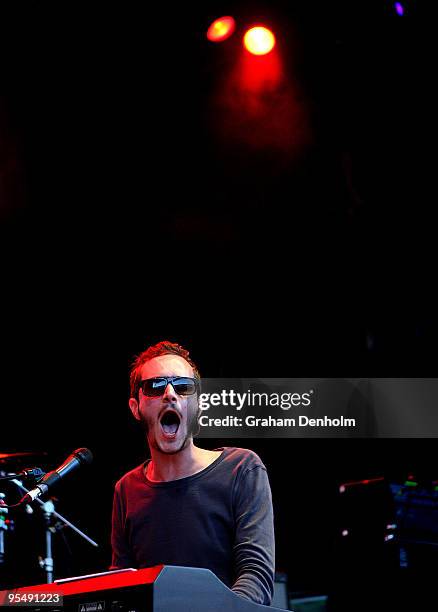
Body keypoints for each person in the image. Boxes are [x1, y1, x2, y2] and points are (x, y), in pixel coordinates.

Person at [111, 340, 275, 606]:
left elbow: (255, 576)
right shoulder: (126, 489)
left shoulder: (242, 469)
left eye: (183, 387)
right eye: (155, 386)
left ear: (198, 405)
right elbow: (121, 586)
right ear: (135, 407)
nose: (169, 394)